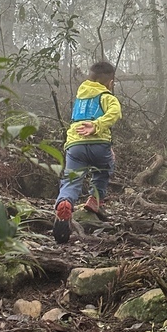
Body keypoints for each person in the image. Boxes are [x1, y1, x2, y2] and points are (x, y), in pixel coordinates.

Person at [53, 60, 122, 244]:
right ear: (110, 82)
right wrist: (98, 125)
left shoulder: (80, 97)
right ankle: (95, 199)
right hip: (99, 144)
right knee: (105, 168)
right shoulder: (107, 97)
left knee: (71, 179)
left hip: (75, 146)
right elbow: (115, 113)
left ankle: (65, 202)